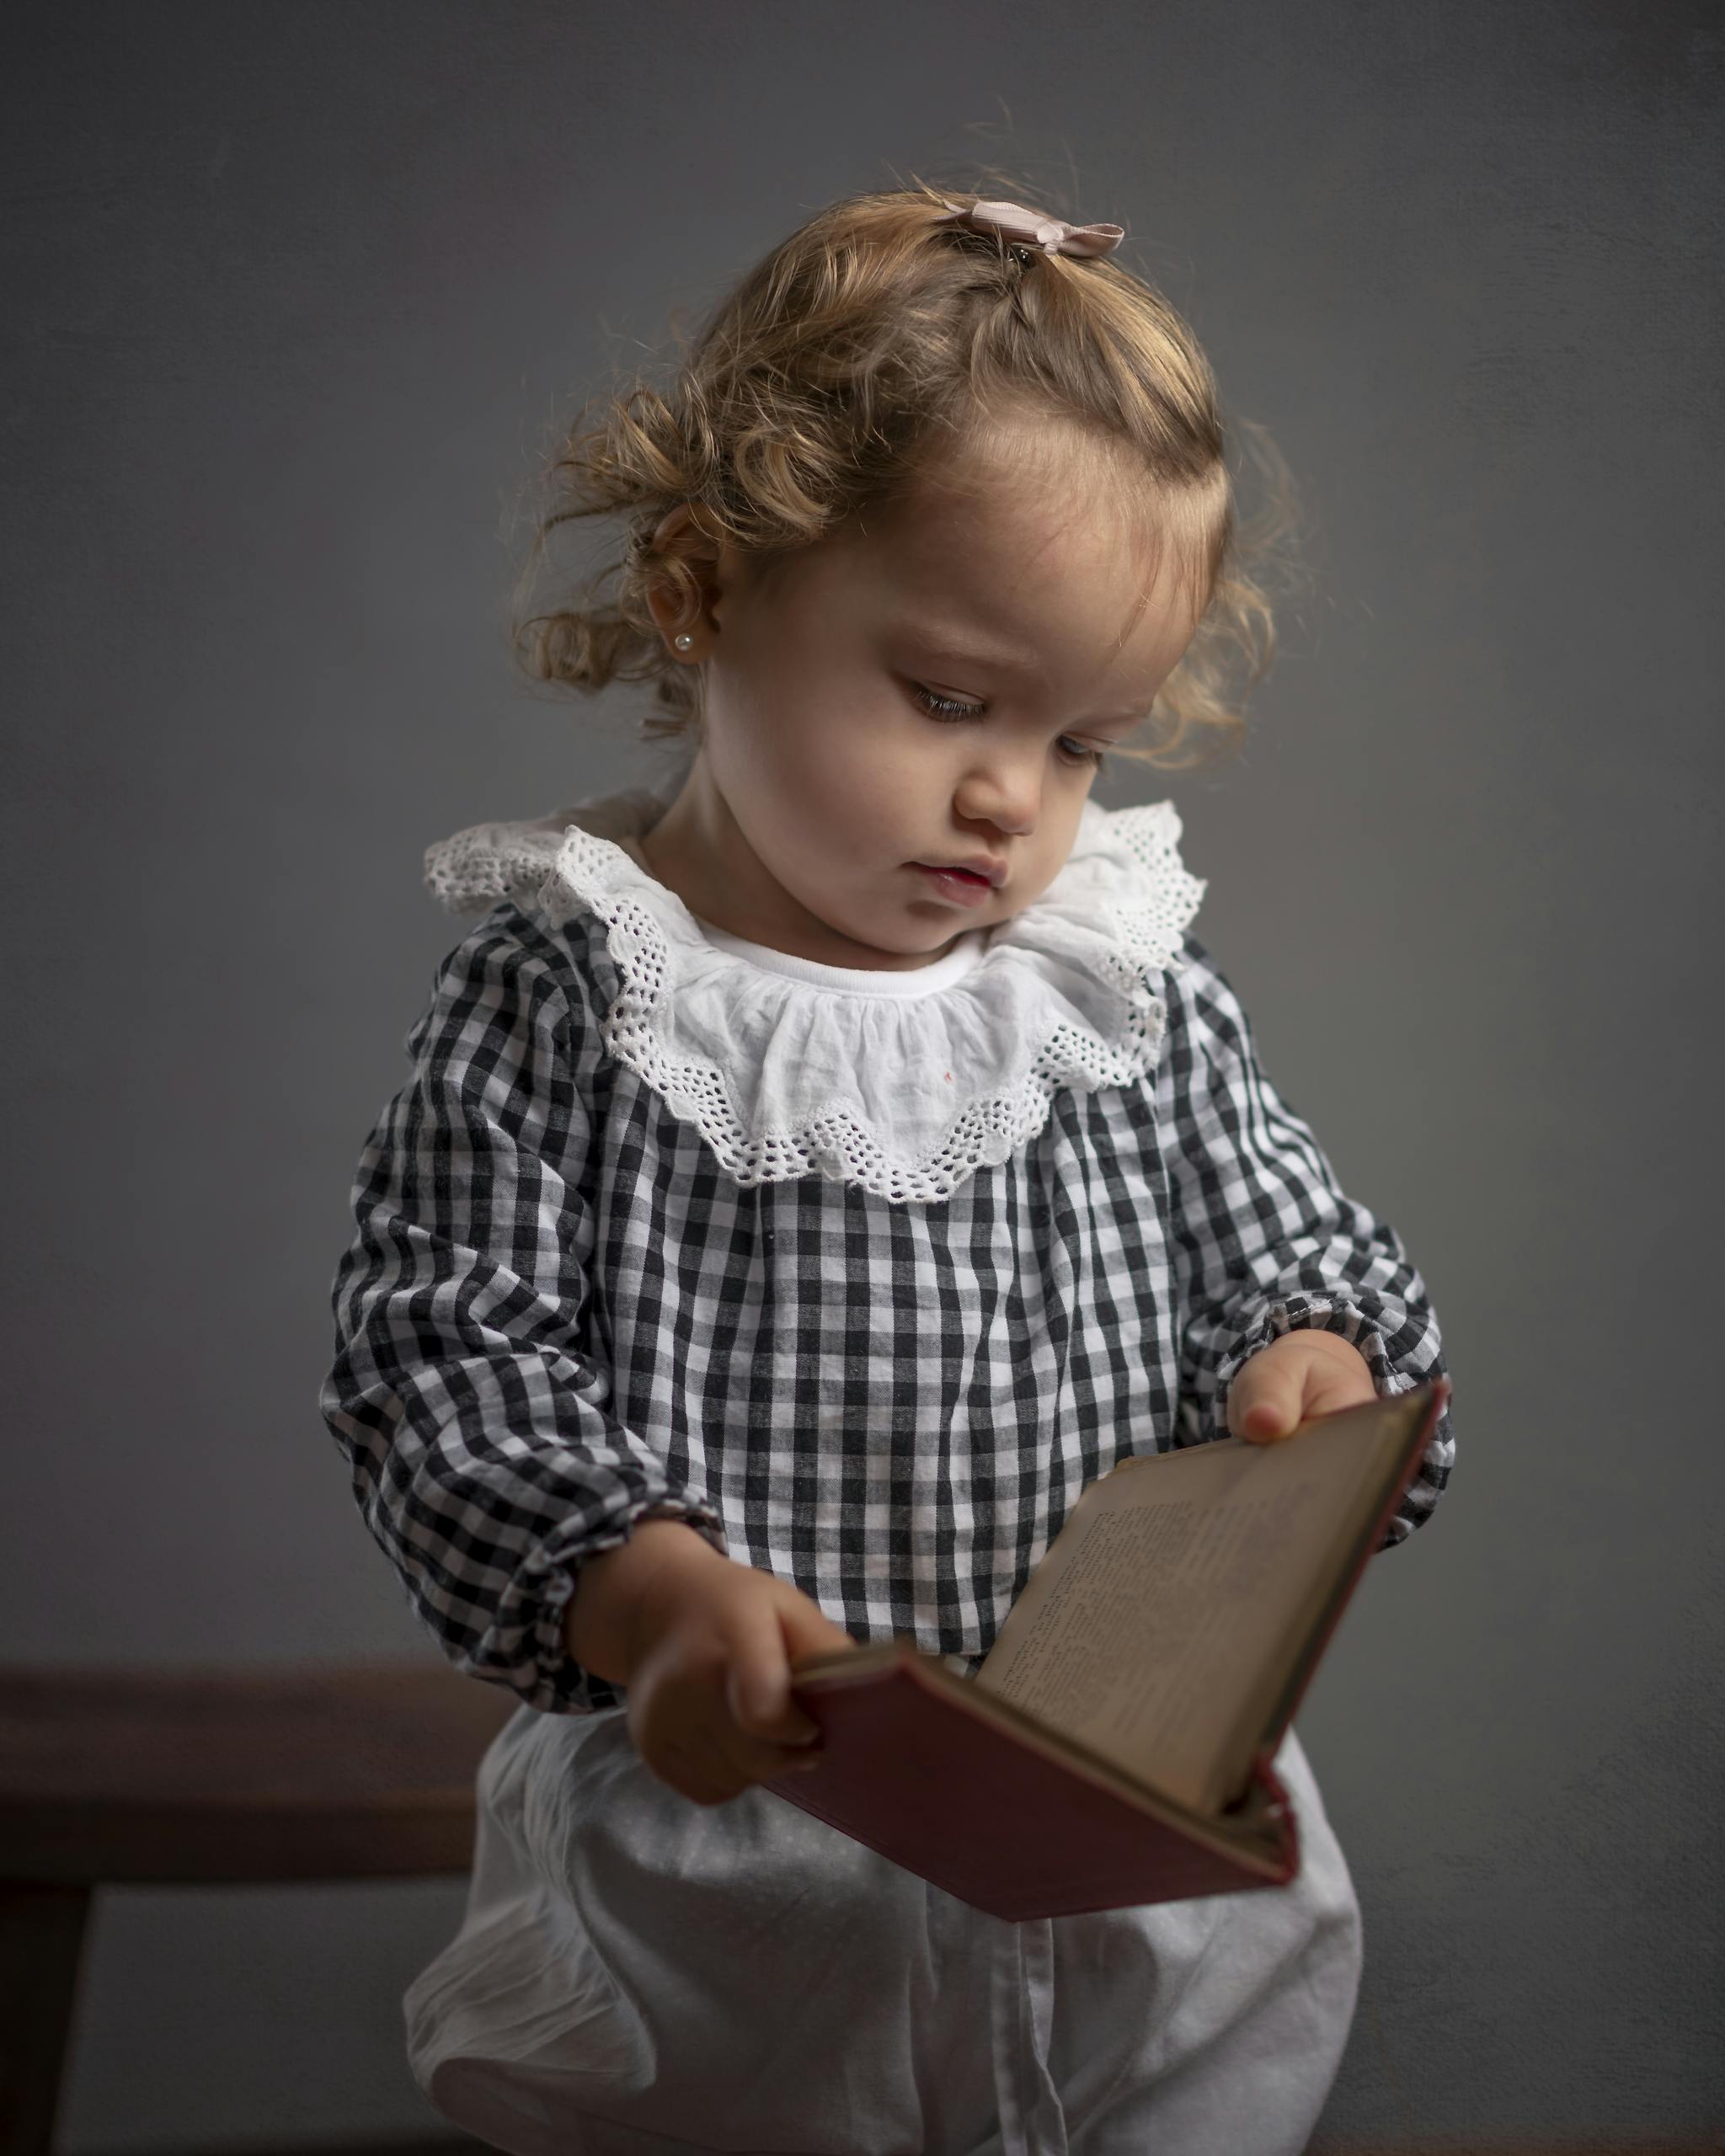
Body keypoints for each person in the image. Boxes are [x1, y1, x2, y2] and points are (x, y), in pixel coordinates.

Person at [320, 184, 1454, 2156]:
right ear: (700, 589)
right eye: (947, 698)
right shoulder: (568, 996)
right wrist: (642, 1589)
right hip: (734, 1893)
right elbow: (442, 1356)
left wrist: (1312, 1358)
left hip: (1133, 1873)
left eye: (1082, 739)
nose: (1013, 796)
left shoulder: (1111, 990)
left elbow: (1296, 1238)